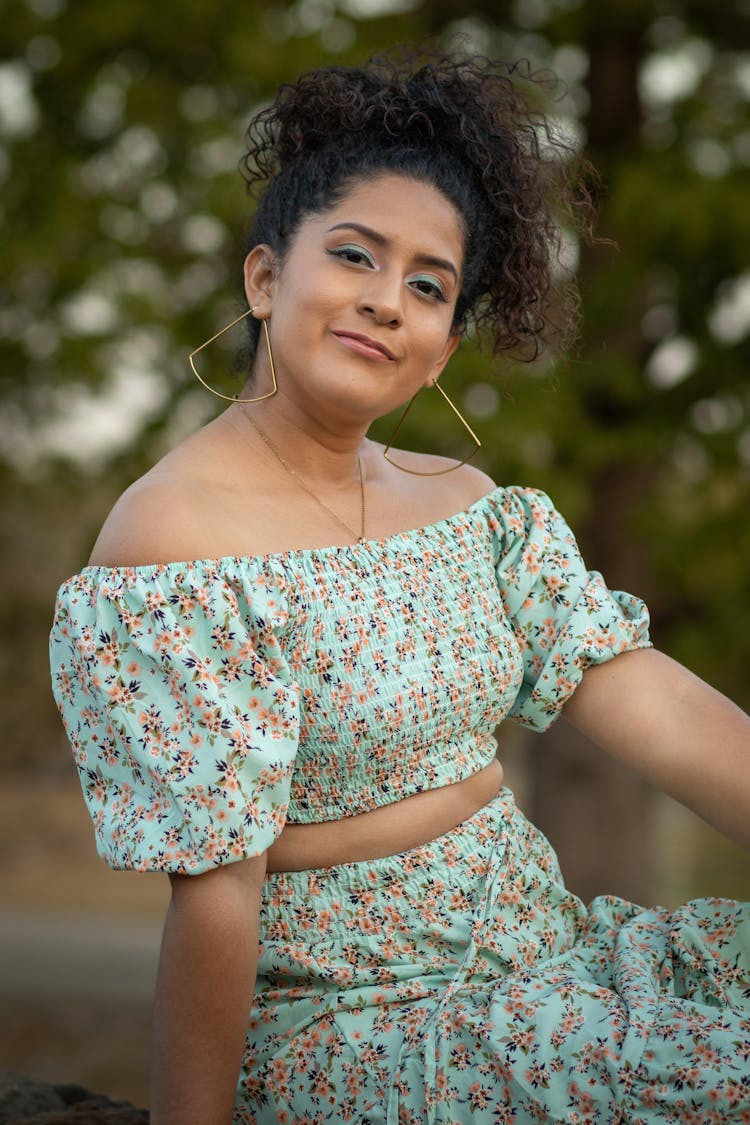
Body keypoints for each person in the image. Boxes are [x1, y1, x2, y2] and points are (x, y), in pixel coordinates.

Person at [49, 48, 750, 1125]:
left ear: (443, 348)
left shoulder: (472, 506)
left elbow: (647, 698)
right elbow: (218, 891)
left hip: (543, 957)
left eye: (428, 286)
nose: (387, 301)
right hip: (355, 1021)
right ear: (265, 276)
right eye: (354, 257)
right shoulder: (174, 544)